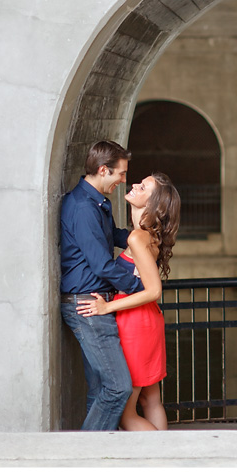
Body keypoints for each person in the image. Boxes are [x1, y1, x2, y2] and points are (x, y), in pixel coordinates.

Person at [76, 172, 181, 431]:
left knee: (125, 414)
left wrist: (106, 307)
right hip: (146, 319)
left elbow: (154, 290)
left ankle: (162, 460)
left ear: (153, 204)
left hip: (136, 322)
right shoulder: (144, 235)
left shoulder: (138, 238)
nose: (134, 184)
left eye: (143, 186)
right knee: (150, 399)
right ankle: (166, 458)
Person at [59, 140, 143, 431]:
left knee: (98, 392)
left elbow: (111, 238)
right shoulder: (83, 207)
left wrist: (142, 238)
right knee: (118, 387)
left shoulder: (96, 202)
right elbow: (102, 266)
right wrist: (139, 287)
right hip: (88, 306)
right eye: (120, 174)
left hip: (92, 303)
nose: (123, 181)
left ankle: (88, 460)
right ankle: (86, 457)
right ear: (103, 170)